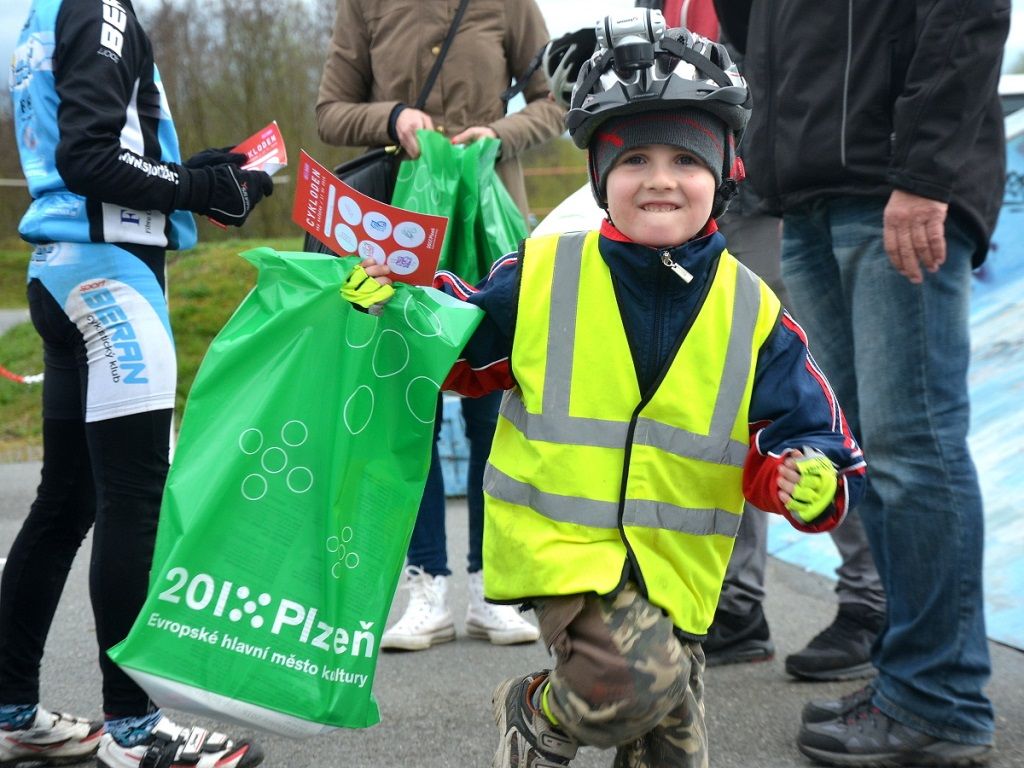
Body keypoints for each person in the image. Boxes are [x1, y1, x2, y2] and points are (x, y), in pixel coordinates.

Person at [344, 13, 867, 766]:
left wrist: (807, 480)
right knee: (628, 682)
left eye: (686, 159)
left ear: (724, 174)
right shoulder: (545, 274)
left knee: (671, 741)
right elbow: (459, 349)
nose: (660, 179)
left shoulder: (755, 314)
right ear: (599, 178)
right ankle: (536, 712)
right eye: (634, 160)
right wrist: (396, 306)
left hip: (677, 568)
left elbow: (808, 440)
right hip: (562, 550)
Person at [533, 6, 886, 678]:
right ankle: (735, 598)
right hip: (721, 179)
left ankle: (869, 595)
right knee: (703, 406)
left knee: (783, 395)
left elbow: (800, 58)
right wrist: (615, 68)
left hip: (763, 189)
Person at [715, 0, 1009, 764]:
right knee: (868, 453)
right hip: (808, 184)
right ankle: (906, 679)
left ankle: (940, 700)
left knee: (913, 446)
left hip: (895, 181)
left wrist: (925, 172)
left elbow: (966, 15)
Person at [1, 0, 273, 766]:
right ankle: (134, 730)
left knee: (67, 502)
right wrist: (202, 192)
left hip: (62, 271)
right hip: (110, 278)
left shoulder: (47, 11)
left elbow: (96, 141)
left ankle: (11, 709)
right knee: (134, 500)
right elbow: (91, 157)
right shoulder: (101, 7)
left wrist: (201, 171)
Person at [315, 0, 564, 651]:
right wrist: (393, 117)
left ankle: (493, 586)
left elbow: (554, 101)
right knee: (410, 406)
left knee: (492, 409)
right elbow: (330, 111)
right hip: (398, 233)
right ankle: (426, 586)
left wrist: (499, 134)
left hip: (491, 227)